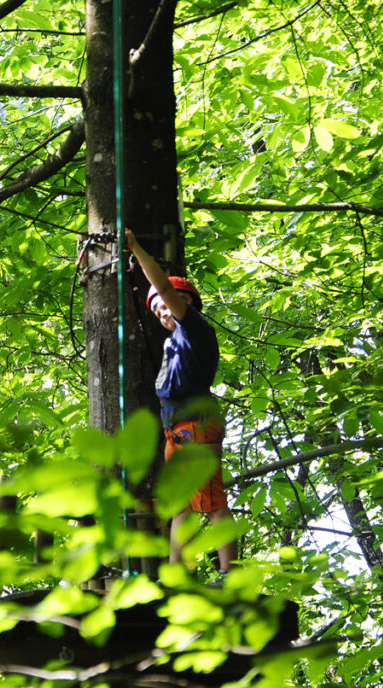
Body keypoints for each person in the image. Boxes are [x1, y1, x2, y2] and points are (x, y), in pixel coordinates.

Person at [124, 228, 237, 571]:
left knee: (213, 501)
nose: (162, 313)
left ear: (186, 302)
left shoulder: (195, 331)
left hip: (196, 425)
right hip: (178, 429)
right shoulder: (172, 343)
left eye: (167, 306)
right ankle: (175, 574)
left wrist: (136, 248)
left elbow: (165, 289)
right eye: (156, 311)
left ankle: (230, 572)